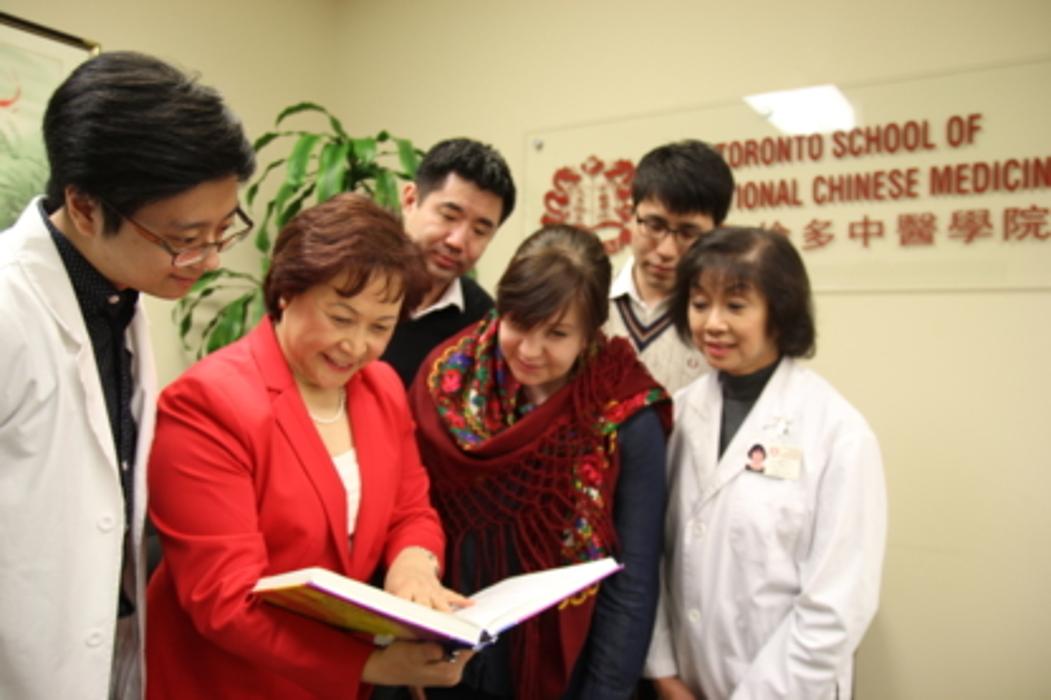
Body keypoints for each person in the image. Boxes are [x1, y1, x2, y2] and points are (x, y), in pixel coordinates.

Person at [145, 194, 475, 699]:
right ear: (287, 292)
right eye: (341, 318)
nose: (357, 346)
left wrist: (414, 564)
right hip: (228, 682)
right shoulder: (209, 404)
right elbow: (225, 599)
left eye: (380, 327)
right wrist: (373, 665)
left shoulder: (381, 389)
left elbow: (411, 510)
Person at [0, 51, 255, 700]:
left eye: (222, 230)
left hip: (97, 652)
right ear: (85, 206)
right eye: (185, 238)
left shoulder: (119, 298)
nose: (207, 260)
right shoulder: (9, 308)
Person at [411, 224, 672, 698]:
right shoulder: (446, 382)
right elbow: (409, 517)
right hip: (446, 656)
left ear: (590, 332)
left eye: (557, 333)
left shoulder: (624, 413)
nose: (530, 350)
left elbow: (632, 581)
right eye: (518, 323)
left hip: (567, 667)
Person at [645, 227, 887, 699]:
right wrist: (665, 675)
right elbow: (654, 556)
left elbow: (838, 605)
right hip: (686, 683)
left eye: (736, 306)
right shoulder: (679, 414)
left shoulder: (837, 433)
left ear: (780, 312)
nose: (712, 323)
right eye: (700, 303)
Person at [381, 137, 516, 387]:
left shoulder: (483, 325)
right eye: (449, 216)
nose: (457, 241)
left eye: (479, 231)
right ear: (410, 200)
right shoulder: (351, 282)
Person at [605, 139, 735, 394]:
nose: (666, 250)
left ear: (716, 234)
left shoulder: (723, 324)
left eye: (688, 233)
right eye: (654, 225)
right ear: (631, 215)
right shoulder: (589, 303)